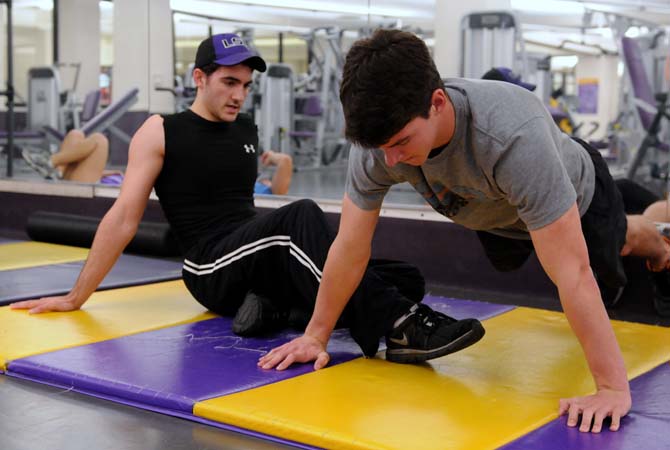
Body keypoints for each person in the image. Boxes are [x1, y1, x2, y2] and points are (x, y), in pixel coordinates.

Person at [259, 29, 670, 433]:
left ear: (437, 103)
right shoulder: (378, 149)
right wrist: (316, 335)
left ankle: (658, 234)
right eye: (382, 148)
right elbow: (349, 246)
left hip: (579, 194)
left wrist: (612, 387)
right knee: (520, 259)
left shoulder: (512, 137)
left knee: (615, 251)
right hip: (494, 212)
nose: (392, 159)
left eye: (401, 142)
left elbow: (572, 273)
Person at [11, 33, 485, 367]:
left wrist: (280, 170)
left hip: (254, 255)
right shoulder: (160, 131)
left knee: (406, 275)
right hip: (208, 265)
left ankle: (279, 309)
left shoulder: (245, 129)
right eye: (229, 83)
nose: (239, 95)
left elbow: (260, 210)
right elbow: (123, 218)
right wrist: (77, 297)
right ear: (199, 77)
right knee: (300, 217)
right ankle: (401, 327)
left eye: (246, 85)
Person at [22, 129, 111, 183]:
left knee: (100, 139)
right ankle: (57, 171)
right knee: (75, 134)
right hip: (73, 178)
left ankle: (51, 162)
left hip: (82, 185)